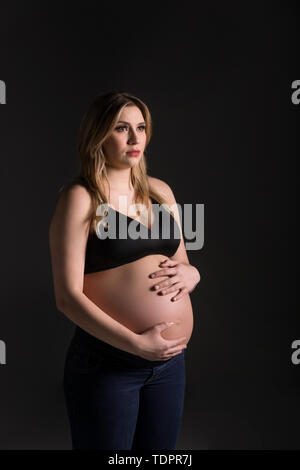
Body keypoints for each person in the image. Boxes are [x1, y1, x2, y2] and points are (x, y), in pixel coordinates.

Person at [49, 91, 201, 450]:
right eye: (122, 128)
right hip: (109, 364)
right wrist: (136, 344)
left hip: (169, 366)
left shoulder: (160, 192)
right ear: (99, 135)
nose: (135, 138)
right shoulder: (80, 198)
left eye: (141, 127)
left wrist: (194, 275)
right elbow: (67, 297)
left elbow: (183, 263)